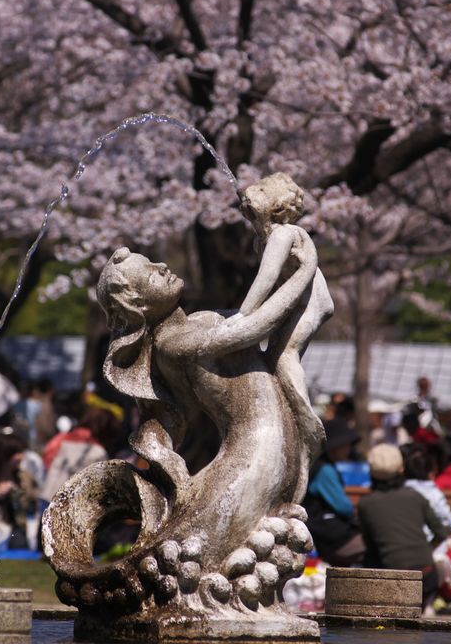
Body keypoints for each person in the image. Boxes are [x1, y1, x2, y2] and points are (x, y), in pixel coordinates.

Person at [95, 237, 320, 561]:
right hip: (251, 458)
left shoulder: (199, 319)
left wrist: (279, 254)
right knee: (207, 563)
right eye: (152, 274)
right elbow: (259, 325)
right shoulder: (174, 344)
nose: (163, 267)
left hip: (276, 445)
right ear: (137, 304)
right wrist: (305, 269)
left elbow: (268, 314)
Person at [239, 172, 334, 497]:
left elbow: (265, 282)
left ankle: (307, 425)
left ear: (277, 204)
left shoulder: (284, 234)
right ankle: (288, 409)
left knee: (284, 355)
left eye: (262, 191)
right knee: (272, 356)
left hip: (312, 301)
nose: (251, 195)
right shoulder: (262, 239)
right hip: (297, 298)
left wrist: (242, 319)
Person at [358, 443, 449, 609]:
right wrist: (428, 549)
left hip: (394, 579)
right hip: (427, 575)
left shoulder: (366, 504)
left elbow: (370, 545)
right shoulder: (415, 496)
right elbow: (442, 532)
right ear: (401, 469)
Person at [303, 417, 365, 566]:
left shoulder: (318, 467)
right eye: (345, 446)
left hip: (323, 536)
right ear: (334, 447)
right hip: (333, 538)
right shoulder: (325, 471)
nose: (348, 449)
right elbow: (344, 507)